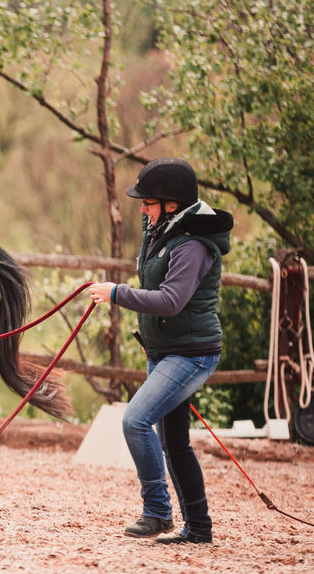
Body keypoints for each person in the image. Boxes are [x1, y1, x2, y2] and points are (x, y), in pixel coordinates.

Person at [88, 157, 234, 545]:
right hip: (167, 349)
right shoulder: (164, 230)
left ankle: (156, 511)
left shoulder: (192, 245)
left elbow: (171, 300)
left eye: (148, 202)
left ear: (172, 204)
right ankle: (199, 528)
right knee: (174, 442)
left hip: (191, 354)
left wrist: (116, 293)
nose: (141, 209)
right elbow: (149, 249)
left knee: (135, 421)